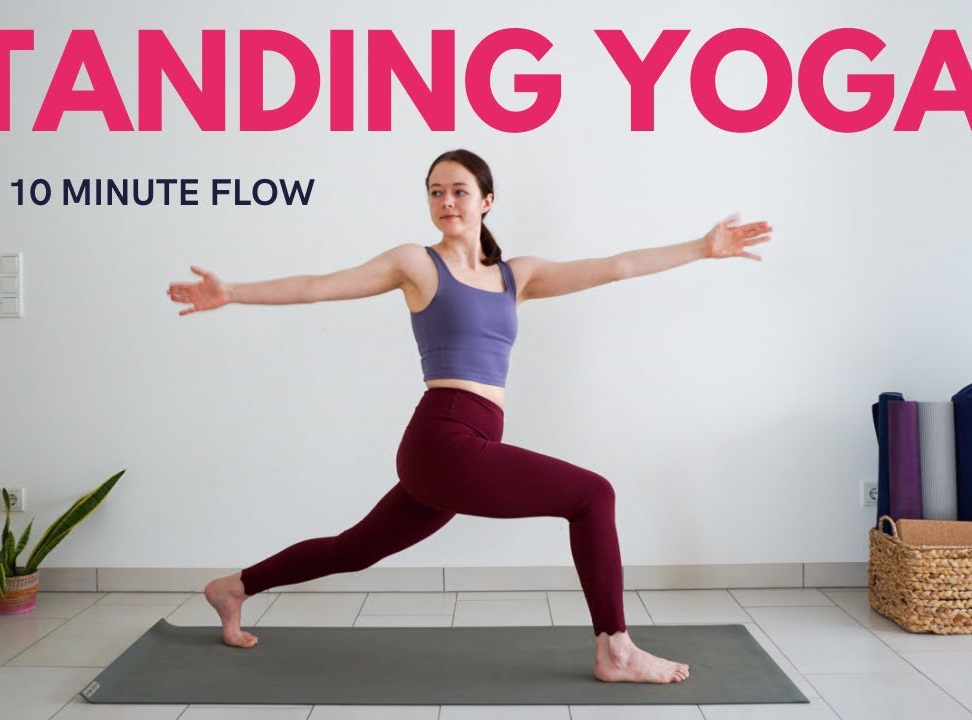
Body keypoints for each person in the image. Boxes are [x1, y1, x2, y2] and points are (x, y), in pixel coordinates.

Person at [167, 149, 771, 684]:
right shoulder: (417, 264)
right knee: (593, 495)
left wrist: (701, 248)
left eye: (459, 190)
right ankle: (615, 648)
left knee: (355, 547)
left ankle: (233, 588)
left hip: (468, 438)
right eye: (436, 191)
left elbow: (615, 266)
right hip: (443, 436)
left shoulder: (517, 277)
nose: (446, 201)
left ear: (487, 200)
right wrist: (234, 291)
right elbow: (321, 286)